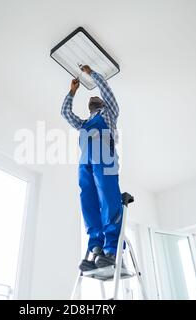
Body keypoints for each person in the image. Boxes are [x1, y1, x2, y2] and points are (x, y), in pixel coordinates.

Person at [61, 65, 123, 271]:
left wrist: (91, 73)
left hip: (105, 157)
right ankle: (96, 246)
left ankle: (112, 248)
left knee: (108, 196)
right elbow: (65, 112)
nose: (93, 99)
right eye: (90, 99)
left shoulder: (110, 113)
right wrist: (72, 92)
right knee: (87, 199)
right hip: (85, 161)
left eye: (96, 98)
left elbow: (106, 89)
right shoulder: (83, 123)